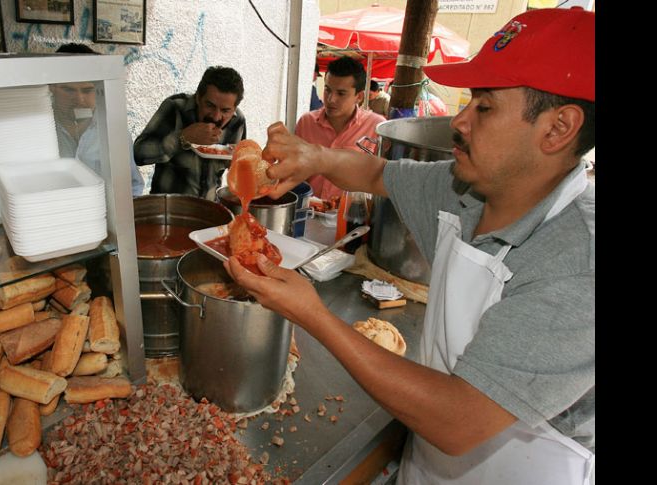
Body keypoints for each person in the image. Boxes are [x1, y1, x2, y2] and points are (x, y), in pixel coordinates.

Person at [225, 8, 594, 485]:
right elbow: (378, 174)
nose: (459, 120)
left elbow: (458, 420)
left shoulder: (578, 266)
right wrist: (313, 155)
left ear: (558, 128)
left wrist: (312, 313)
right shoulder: (466, 189)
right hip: (426, 467)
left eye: (484, 106)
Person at [133, 66, 246, 200]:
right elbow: (138, 154)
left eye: (225, 111)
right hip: (168, 209)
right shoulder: (175, 108)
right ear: (198, 97)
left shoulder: (237, 121)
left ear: (234, 108)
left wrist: (237, 163)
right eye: (210, 105)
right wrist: (183, 137)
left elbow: (239, 172)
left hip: (210, 211)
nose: (216, 117)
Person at [51, 43, 145, 196]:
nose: (79, 100)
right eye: (68, 90)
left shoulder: (114, 131)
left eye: (88, 90)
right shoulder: (40, 131)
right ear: (52, 87)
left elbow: (132, 187)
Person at [295, 56, 385, 201]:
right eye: (327, 90)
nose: (331, 99)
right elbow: (296, 171)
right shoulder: (306, 122)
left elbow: (381, 179)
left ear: (359, 96)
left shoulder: (376, 127)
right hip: (309, 212)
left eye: (341, 93)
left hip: (352, 216)